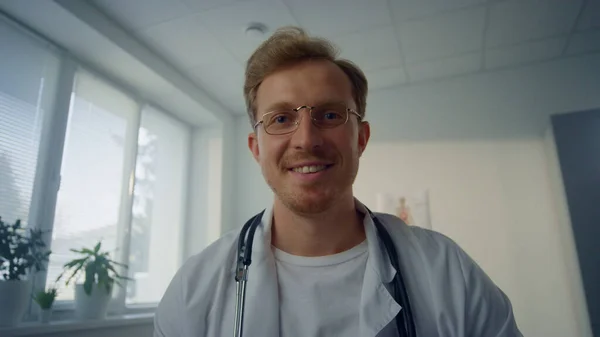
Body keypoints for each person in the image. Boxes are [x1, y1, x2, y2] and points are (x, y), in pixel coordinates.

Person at [154, 26, 522, 337]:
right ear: (256, 148)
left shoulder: (446, 271)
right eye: (281, 119)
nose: (306, 139)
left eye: (329, 114)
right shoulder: (194, 288)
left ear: (360, 138)